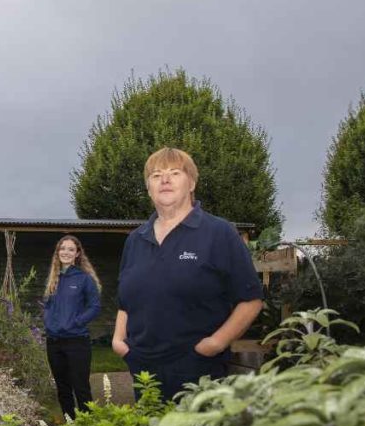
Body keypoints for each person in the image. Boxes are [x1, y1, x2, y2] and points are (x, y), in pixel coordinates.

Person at [111, 147, 263, 401]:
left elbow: (251, 300)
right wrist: (119, 343)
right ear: (148, 187)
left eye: (174, 173)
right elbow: (125, 302)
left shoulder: (219, 233)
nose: (165, 180)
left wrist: (215, 344)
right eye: (156, 175)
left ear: (192, 183)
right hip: (143, 370)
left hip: (199, 371)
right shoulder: (135, 240)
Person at [43, 235, 102, 420]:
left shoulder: (84, 279)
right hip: (54, 342)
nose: (66, 252)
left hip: (77, 341)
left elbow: (95, 307)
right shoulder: (54, 278)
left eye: (70, 249)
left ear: (77, 254)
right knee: (62, 387)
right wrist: (49, 322)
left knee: (80, 387)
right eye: (62, 248)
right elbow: (48, 306)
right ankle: (70, 425)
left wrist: (76, 322)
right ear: (57, 252)